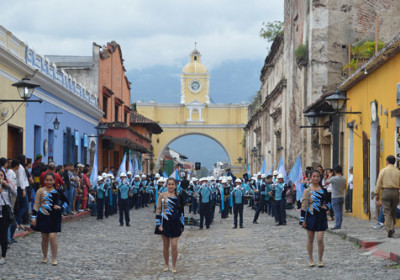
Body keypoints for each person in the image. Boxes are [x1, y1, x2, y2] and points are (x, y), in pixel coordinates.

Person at [31, 173, 68, 266]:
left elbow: (67, 201)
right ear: (44, 181)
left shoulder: (58, 191)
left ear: (54, 181)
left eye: (50, 180)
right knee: (44, 237)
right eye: (47, 180)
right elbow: (36, 204)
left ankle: (54, 258)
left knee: (52, 236)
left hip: (55, 216)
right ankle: (45, 256)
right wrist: (33, 217)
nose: (48, 182)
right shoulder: (40, 191)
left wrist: (61, 207)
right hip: (43, 216)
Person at [300, 170, 330, 267]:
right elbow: (304, 205)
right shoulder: (307, 191)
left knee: (320, 239)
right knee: (310, 239)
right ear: (310, 177)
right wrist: (302, 220)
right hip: (311, 217)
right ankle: (311, 259)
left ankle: (320, 260)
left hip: (321, 217)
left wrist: (327, 207)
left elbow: (329, 202)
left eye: (317, 176)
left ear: (320, 178)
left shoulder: (324, 190)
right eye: (314, 176)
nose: (316, 178)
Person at [155, 178, 184, 273]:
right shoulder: (162, 195)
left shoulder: (178, 197)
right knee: (166, 245)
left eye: (172, 184)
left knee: (174, 245)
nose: (171, 186)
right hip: (165, 223)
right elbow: (158, 209)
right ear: (166, 185)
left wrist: (182, 224)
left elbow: (181, 211)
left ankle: (174, 265)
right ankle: (166, 264)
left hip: (175, 223)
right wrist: (158, 223)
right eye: (169, 184)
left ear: (175, 186)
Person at [374, 155, 400, 238]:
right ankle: (392, 226)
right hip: (396, 191)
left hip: (386, 191)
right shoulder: (398, 171)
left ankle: (390, 228)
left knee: (386, 211)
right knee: (393, 210)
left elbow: (379, 183)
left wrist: (376, 193)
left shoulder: (383, 170)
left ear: (387, 161)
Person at [0, 169, 17, 264]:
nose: (0, 177)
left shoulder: (7, 187)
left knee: (3, 233)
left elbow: (15, 194)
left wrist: (7, 186)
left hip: (5, 211)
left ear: (4, 176)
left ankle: (3, 256)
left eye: (1, 175)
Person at [326, 166, 346, 230]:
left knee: (336, 212)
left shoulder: (334, 178)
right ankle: (339, 224)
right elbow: (344, 187)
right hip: (341, 196)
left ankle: (337, 225)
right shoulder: (344, 178)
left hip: (335, 196)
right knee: (340, 212)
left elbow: (326, 182)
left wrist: (329, 176)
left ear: (335, 171)